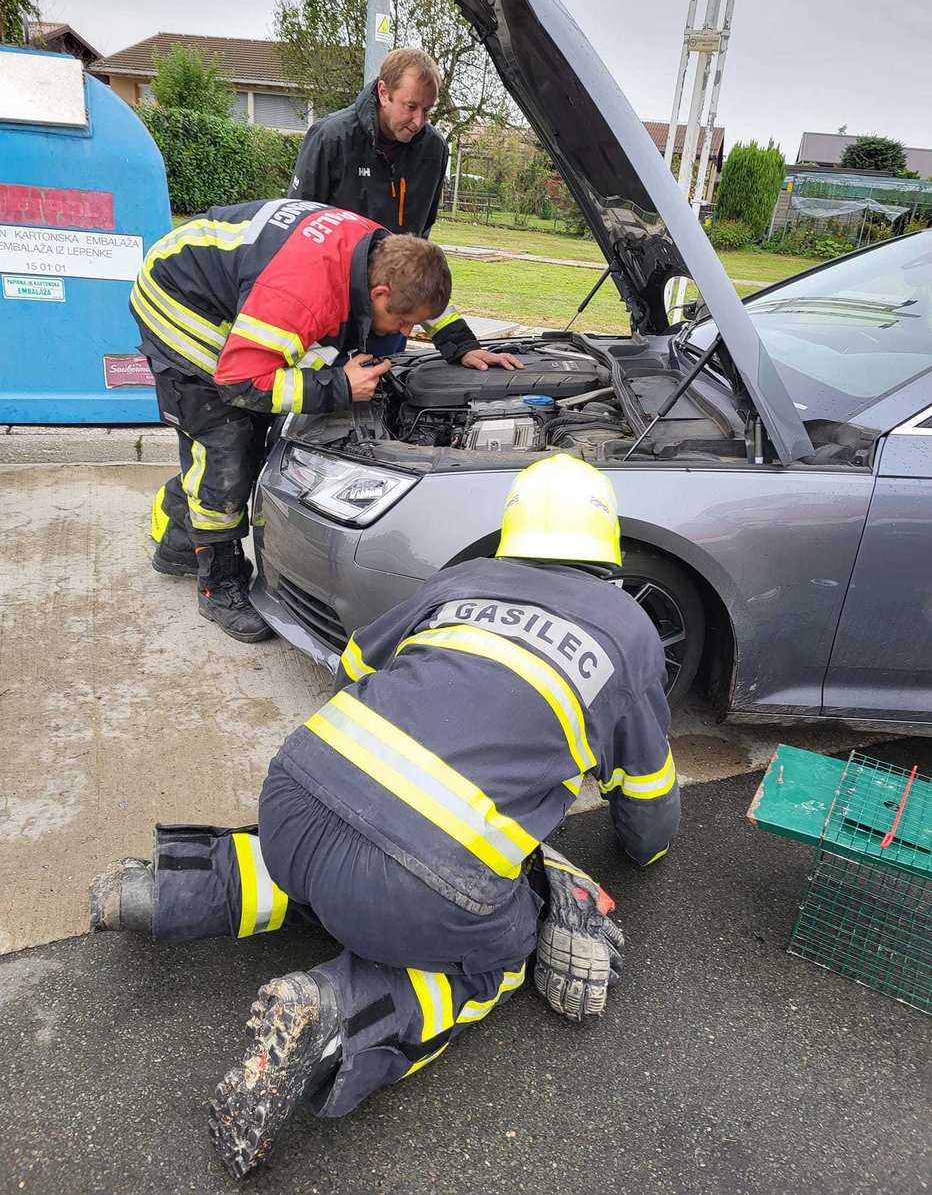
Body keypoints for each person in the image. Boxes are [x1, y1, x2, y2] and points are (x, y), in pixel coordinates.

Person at [90, 453, 680, 1179]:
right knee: (497, 952)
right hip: (422, 888)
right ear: (607, 545)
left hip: (292, 802)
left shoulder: (461, 581)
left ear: (514, 529)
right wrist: (645, 855)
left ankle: (166, 891)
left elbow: (354, 670)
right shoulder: (628, 629)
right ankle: (337, 1012)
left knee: (319, 867)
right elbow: (648, 801)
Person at [132, 200, 452, 644]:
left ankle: (178, 542)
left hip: (222, 277)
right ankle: (218, 583)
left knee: (251, 434)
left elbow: (424, 301)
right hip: (179, 306)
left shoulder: (387, 252)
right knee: (226, 444)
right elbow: (240, 381)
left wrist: (462, 346)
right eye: (400, 322)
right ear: (379, 294)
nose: (405, 332)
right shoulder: (302, 292)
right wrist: (338, 387)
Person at [291, 46, 523, 373]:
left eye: (427, 110)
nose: (418, 121)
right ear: (384, 92)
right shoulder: (332, 139)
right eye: (411, 106)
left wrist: (462, 346)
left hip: (391, 318)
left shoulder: (433, 151)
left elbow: (418, 263)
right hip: (329, 323)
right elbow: (298, 242)